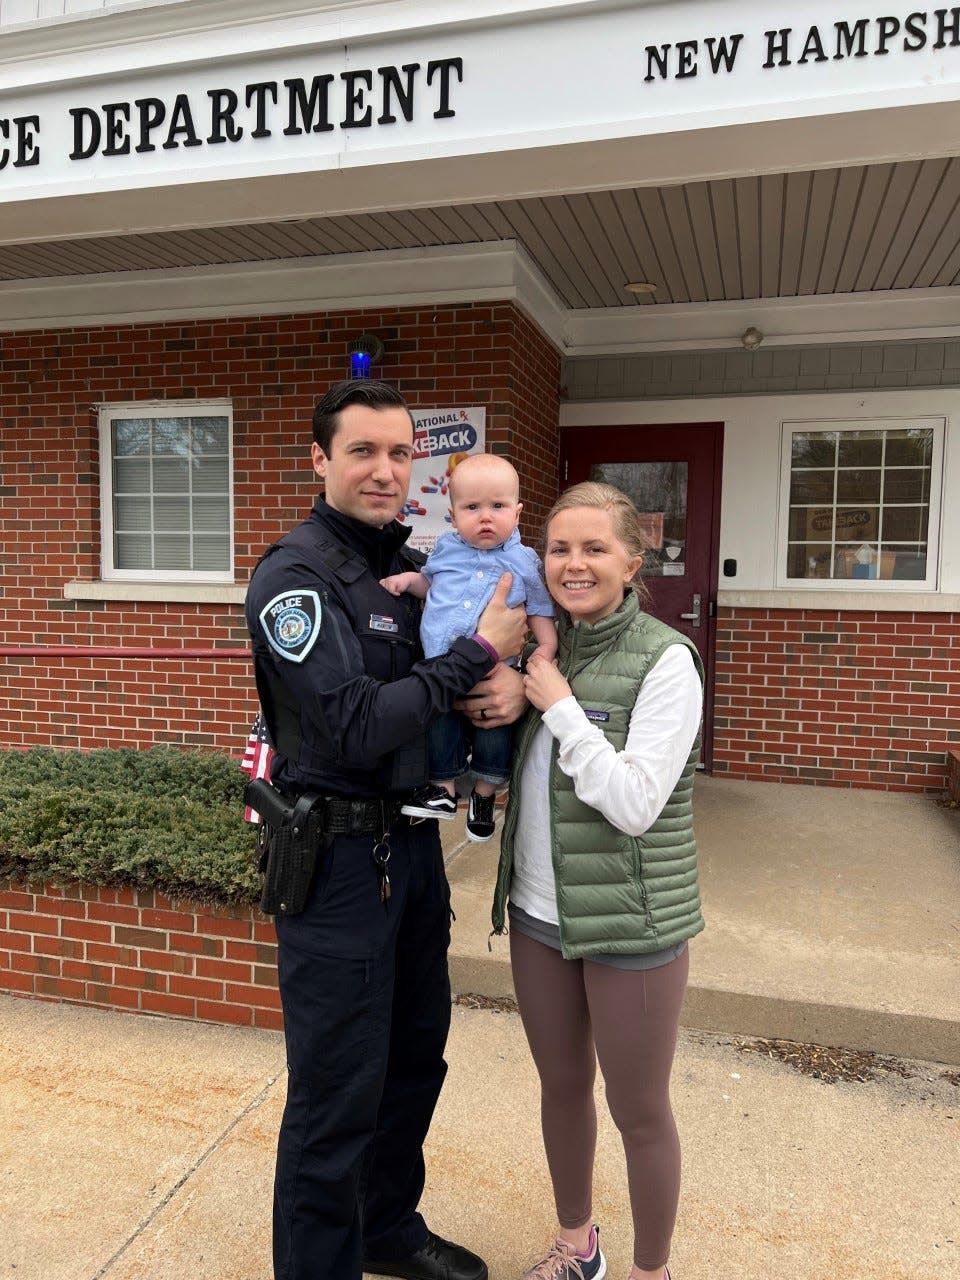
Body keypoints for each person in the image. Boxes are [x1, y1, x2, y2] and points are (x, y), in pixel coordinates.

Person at [245, 379, 528, 1280]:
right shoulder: (295, 575)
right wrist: (474, 656)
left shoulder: (415, 560)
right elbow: (353, 723)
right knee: (334, 1092)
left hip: (409, 845)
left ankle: (385, 1227)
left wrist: (510, 683)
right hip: (332, 862)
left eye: (400, 452)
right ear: (321, 459)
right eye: (362, 450)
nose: (383, 469)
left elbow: (484, 671)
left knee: (412, 1059)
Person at [491, 481, 705, 1280]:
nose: (573, 565)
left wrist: (560, 706)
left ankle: (652, 1272)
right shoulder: (543, 650)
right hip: (541, 916)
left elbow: (634, 804)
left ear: (632, 560)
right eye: (558, 548)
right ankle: (578, 1246)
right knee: (561, 1088)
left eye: (593, 549)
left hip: (633, 926)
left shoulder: (665, 660)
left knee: (639, 1112)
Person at [380, 452, 556, 842]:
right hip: (441, 665)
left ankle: (484, 793)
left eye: (498, 506)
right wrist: (409, 581)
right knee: (440, 724)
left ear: (518, 512)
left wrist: (546, 645)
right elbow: (432, 584)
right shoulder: (445, 549)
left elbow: (541, 608)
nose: (486, 517)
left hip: (492, 670)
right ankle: (443, 791)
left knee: (491, 726)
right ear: (453, 514)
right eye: (472, 507)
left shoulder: (524, 561)